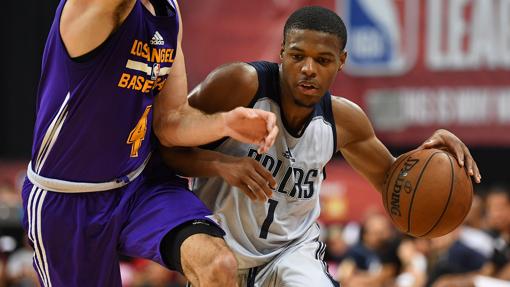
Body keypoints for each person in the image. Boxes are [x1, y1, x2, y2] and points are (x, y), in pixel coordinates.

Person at [162, 6, 481, 286]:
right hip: (223, 255)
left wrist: (425, 155)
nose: (308, 69)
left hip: (292, 252)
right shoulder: (240, 84)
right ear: (282, 50)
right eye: (298, 56)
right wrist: (222, 165)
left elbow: (392, 184)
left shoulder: (344, 120)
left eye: (323, 60)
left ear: (341, 62)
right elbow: (167, 145)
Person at [22, 0, 278, 286]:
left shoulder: (168, 11)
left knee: (218, 264)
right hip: (69, 200)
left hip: (140, 184)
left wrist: (225, 123)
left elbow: (171, 121)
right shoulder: (92, 6)